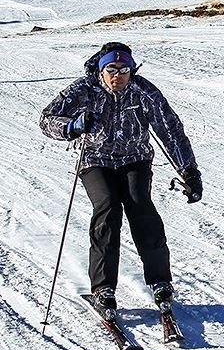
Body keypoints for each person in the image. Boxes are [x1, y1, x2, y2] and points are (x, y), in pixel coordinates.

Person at [39, 42, 202, 319]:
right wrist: (71, 126)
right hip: (95, 161)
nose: (118, 76)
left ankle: (160, 281)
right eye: (111, 70)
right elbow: (46, 119)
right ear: (101, 71)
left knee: (142, 209)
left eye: (124, 70)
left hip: (135, 159)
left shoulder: (143, 91)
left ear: (132, 70)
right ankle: (103, 288)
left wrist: (189, 171)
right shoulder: (83, 90)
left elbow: (170, 128)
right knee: (108, 208)